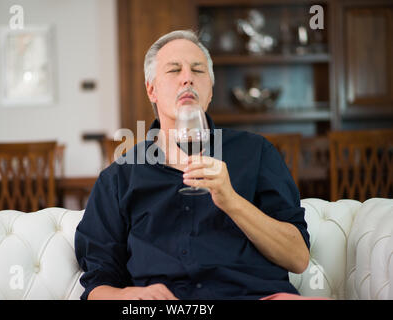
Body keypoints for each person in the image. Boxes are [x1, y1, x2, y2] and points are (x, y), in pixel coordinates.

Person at [74, 30, 310, 300]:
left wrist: (232, 201)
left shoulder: (256, 153)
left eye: (197, 71)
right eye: (174, 70)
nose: (187, 78)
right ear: (152, 90)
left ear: (209, 89)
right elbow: (97, 285)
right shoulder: (119, 178)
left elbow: (298, 258)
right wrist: (129, 296)